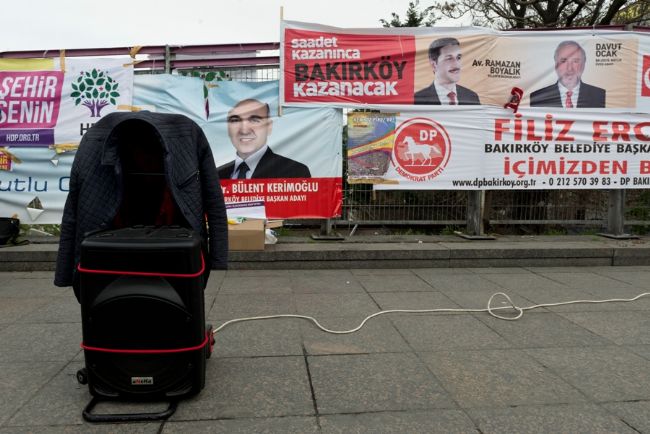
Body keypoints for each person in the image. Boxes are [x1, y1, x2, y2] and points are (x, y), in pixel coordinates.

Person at [217, 99, 311, 179]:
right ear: (228, 128)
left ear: (269, 127)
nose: (244, 130)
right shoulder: (217, 175)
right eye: (235, 120)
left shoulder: (295, 172)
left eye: (254, 120)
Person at [530, 40, 606, 108]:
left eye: (575, 61)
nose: (570, 68)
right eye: (563, 61)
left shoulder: (600, 95)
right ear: (556, 64)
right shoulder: (537, 97)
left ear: (583, 65)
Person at [414, 37, 480, 105]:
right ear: (434, 65)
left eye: (458, 57)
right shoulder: (417, 99)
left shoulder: (472, 97)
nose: (456, 64)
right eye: (449, 58)